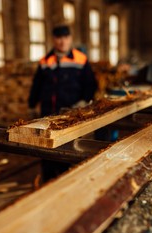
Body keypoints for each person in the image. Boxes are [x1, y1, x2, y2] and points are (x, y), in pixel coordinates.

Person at [28, 24, 98, 182]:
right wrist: (32, 105)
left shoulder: (80, 59)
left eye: (65, 38)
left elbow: (91, 84)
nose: (62, 42)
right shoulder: (46, 61)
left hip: (71, 114)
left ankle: (66, 181)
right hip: (48, 113)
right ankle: (48, 181)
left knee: (68, 150)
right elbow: (37, 85)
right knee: (46, 149)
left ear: (70, 39)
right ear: (53, 40)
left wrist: (84, 100)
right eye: (58, 38)